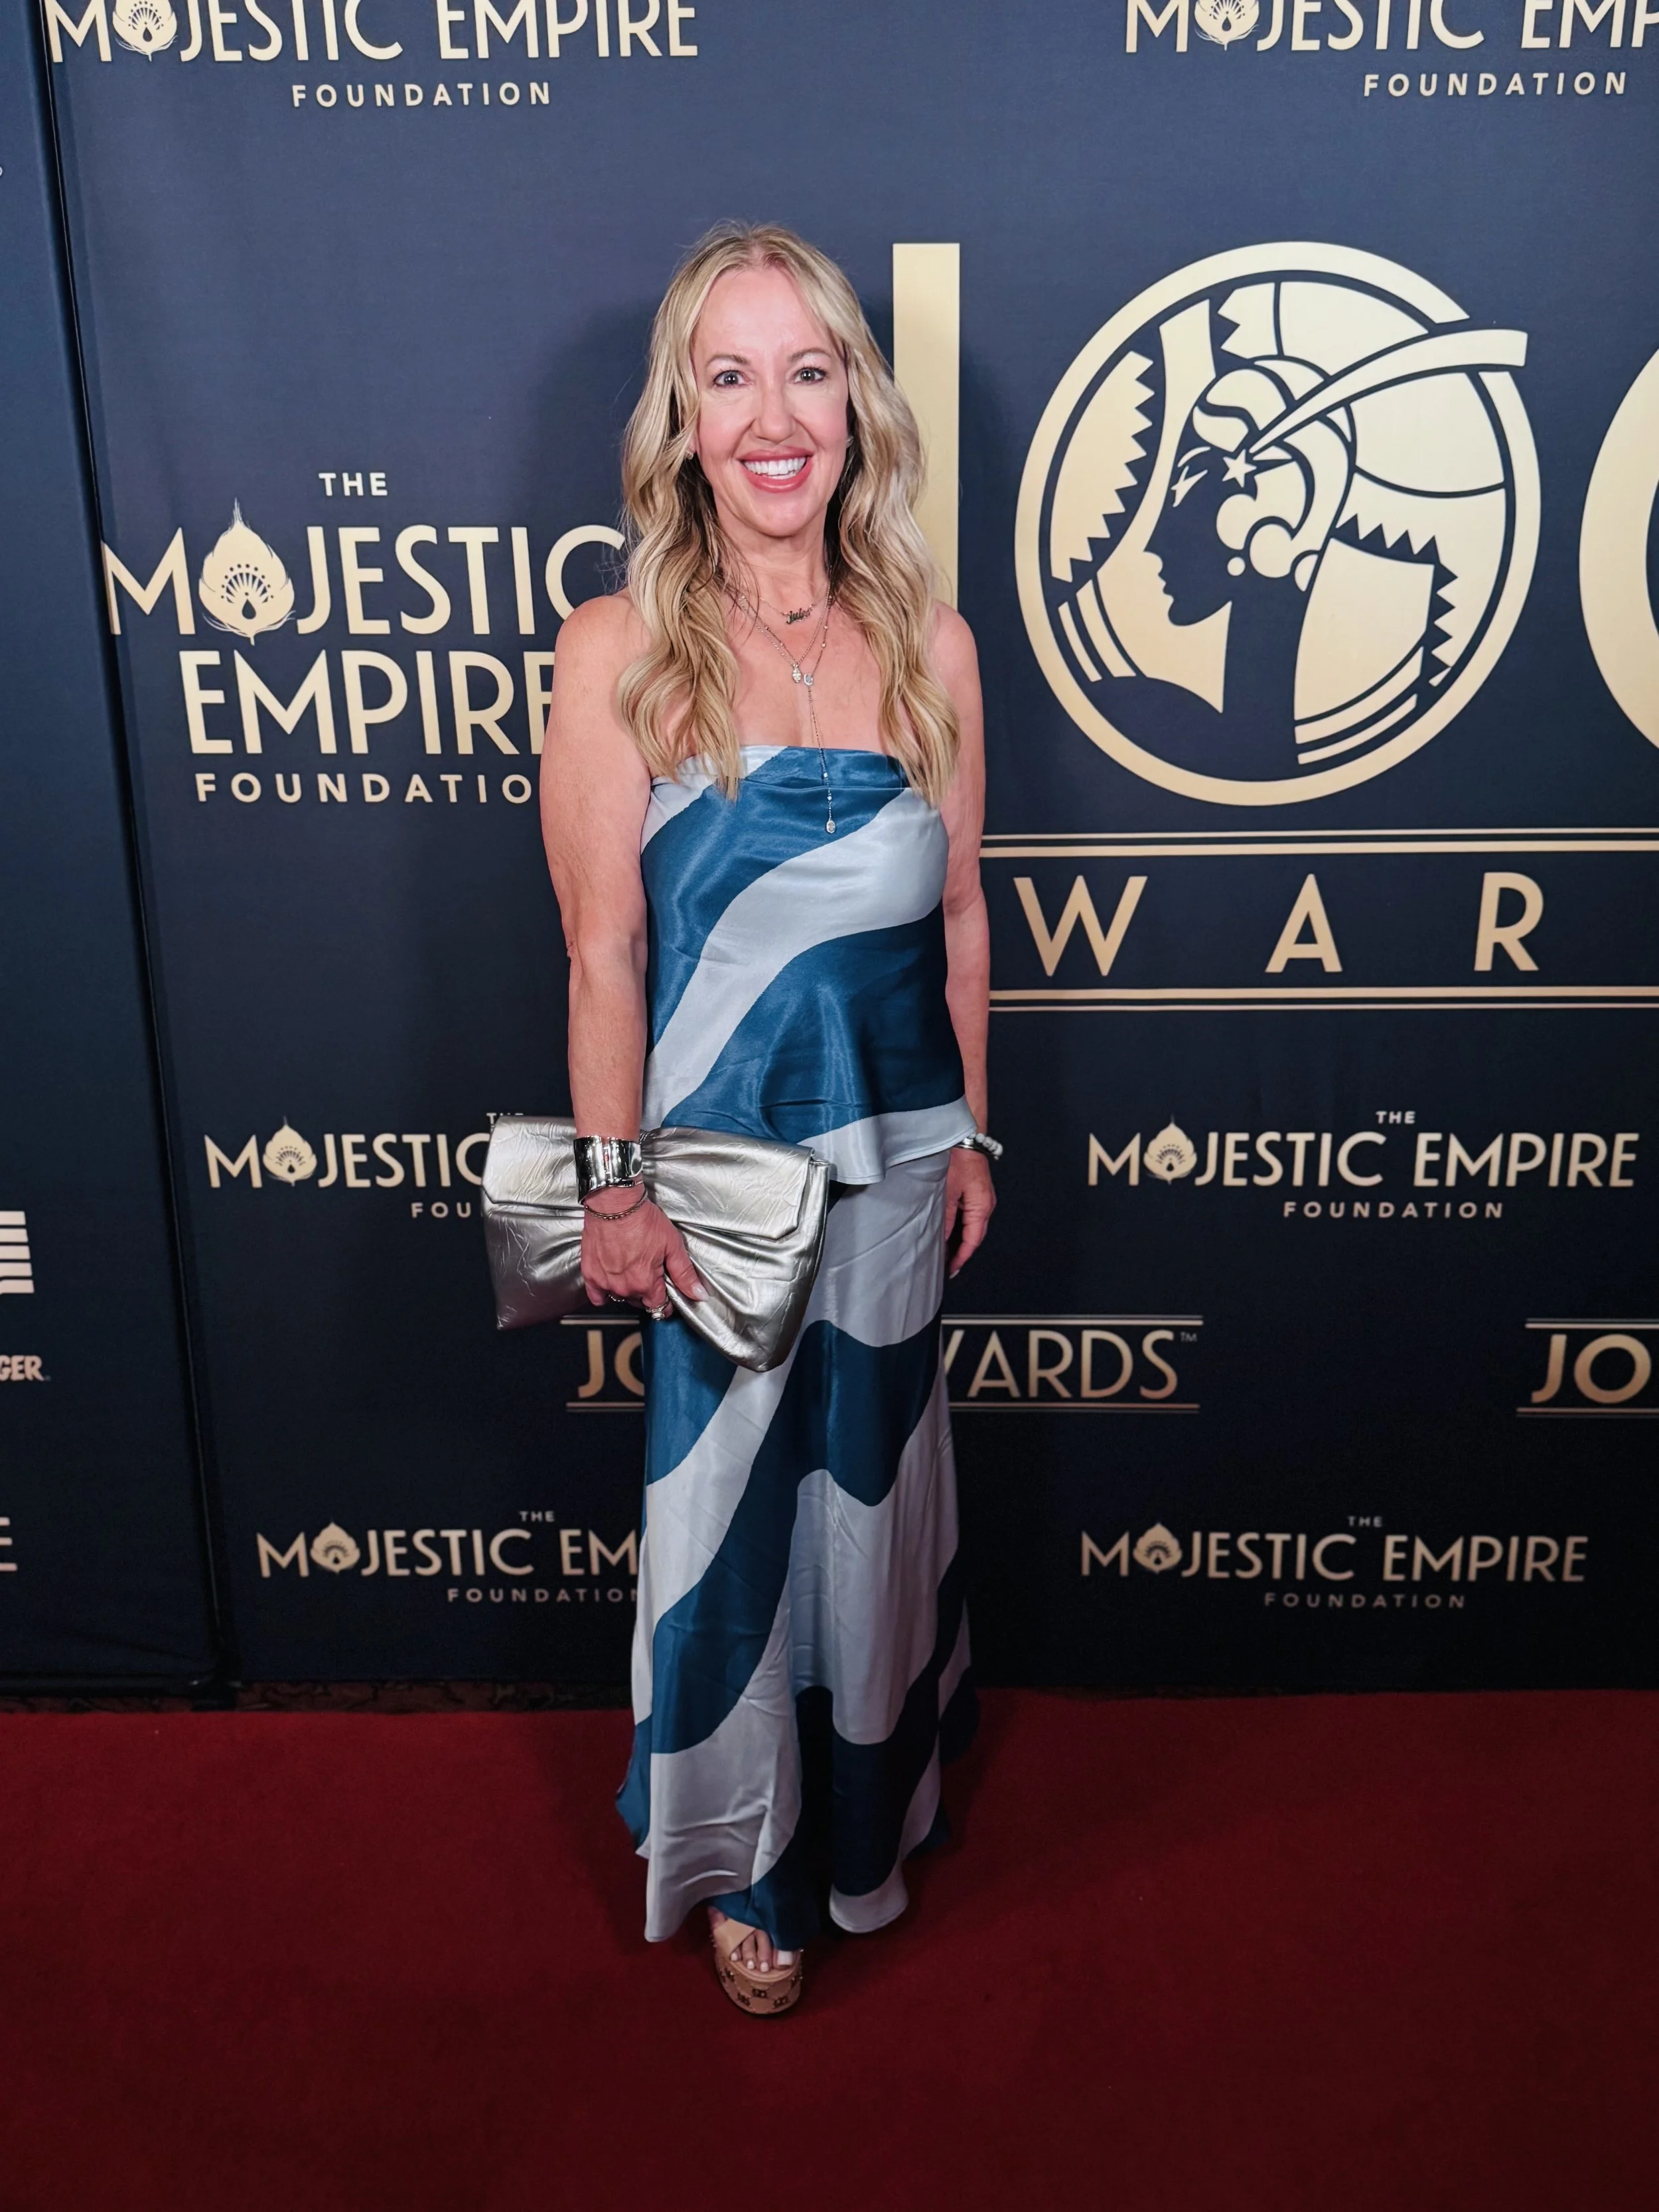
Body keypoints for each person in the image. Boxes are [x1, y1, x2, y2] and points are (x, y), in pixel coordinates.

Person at [540, 222, 995, 2016]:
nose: (772, 417)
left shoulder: (934, 645)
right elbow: (602, 948)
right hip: (715, 1191)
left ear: (855, 404)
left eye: (807, 370)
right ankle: (748, 1864)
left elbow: (961, 914)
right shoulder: (617, 648)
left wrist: (973, 1133)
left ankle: (868, 1812)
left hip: (895, 1173)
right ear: (682, 420)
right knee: (728, 1530)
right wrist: (610, 1190)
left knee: (868, 1517)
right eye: (728, 377)